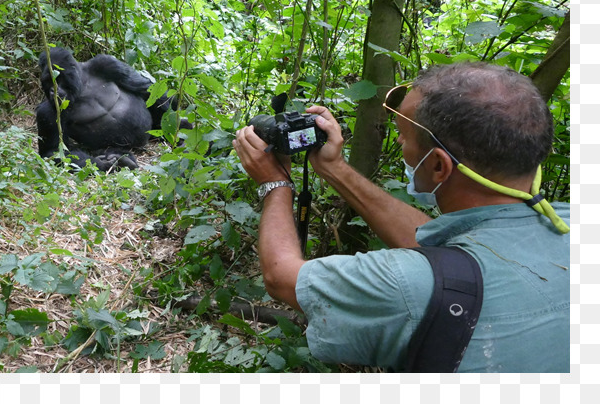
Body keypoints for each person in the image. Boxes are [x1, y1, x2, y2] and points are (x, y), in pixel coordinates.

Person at [232, 61, 570, 372]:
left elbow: (282, 277)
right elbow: (453, 262)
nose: (398, 141)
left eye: (404, 137)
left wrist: (275, 184)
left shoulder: (404, 286)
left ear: (439, 166)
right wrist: (334, 170)